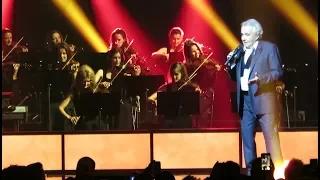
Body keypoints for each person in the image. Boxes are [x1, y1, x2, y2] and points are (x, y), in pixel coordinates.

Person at [226, 18, 284, 174]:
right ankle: (253, 173)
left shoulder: (269, 49)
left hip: (264, 101)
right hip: (245, 102)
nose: (243, 38)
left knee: (270, 140)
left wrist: (261, 79)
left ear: (257, 35)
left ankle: (274, 172)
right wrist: (230, 64)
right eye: (242, 34)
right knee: (248, 141)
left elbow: (278, 72)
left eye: (247, 34)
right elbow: (234, 76)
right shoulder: (240, 51)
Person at [148, 62, 197, 128]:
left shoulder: (188, 87)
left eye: (176, 74)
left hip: (184, 120)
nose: (174, 77)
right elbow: (149, 98)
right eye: (172, 74)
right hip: (169, 120)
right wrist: (157, 102)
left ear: (182, 74)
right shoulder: (166, 87)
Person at [59, 64, 99, 130]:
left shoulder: (93, 89)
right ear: (79, 80)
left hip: (94, 124)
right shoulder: (74, 90)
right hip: (81, 125)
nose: (86, 84)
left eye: (88, 81)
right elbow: (60, 107)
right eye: (84, 81)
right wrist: (70, 117)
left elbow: (101, 72)